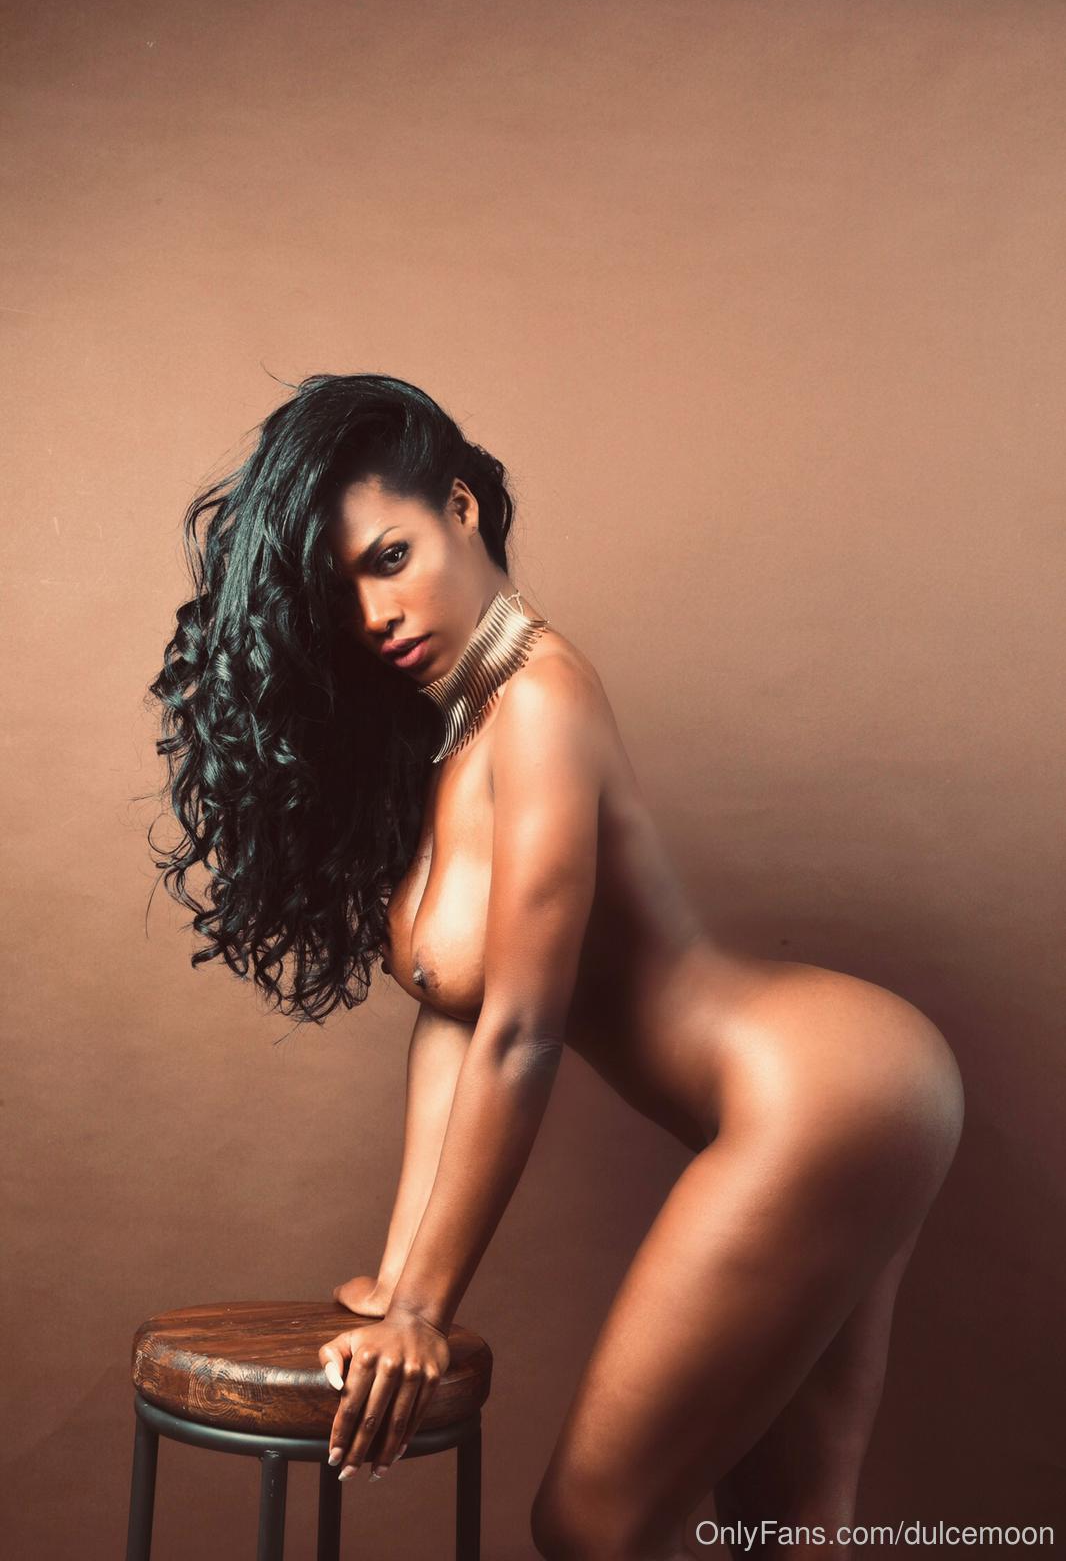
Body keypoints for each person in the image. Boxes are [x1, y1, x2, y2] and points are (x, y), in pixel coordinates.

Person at [148, 373, 965, 1560]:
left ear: (462, 509)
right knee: (776, 1529)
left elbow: (521, 1030)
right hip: (834, 1091)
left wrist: (427, 1307)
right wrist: (400, 1274)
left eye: (390, 557)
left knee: (593, 1524)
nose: (375, 611)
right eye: (345, 589)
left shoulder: (540, 698)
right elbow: (454, 1014)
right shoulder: (464, 724)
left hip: (830, 1091)